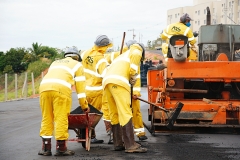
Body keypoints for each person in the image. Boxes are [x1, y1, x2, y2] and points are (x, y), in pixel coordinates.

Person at [38, 46, 90, 156]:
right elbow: (80, 89)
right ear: (76, 57)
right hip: (60, 90)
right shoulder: (77, 65)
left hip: (43, 88)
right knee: (60, 117)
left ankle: (46, 148)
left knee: (47, 117)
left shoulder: (55, 63)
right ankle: (61, 148)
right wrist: (84, 105)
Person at [103, 42, 147, 153]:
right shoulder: (136, 51)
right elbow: (133, 68)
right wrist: (133, 76)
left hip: (108, 83)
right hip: (119, 83)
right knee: (125, 111)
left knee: (114, 112)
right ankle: (130, 144)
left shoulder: (123, 55)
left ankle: (118, 143)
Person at [81, 35, 113, 144]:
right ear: (104, 46)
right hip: (97, 90)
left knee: (86, 114)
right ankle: (109, 133)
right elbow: (105, 74)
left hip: (85, 90)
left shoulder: (85, 53)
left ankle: (89, 137)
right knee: (96, 115)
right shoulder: (100, 58)